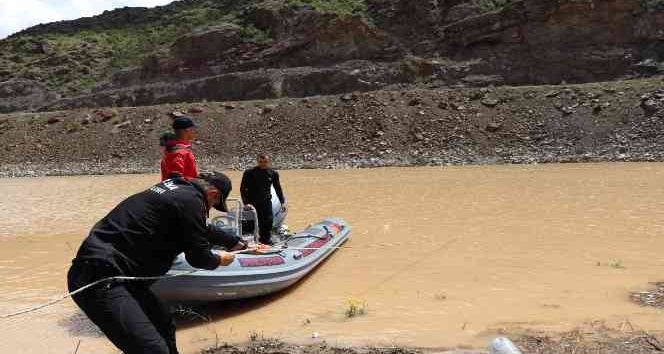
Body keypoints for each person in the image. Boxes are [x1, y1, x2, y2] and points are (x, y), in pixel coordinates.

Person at [67, 175, 236, 354]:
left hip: (123, 279)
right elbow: (200, 258)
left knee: (164, 324)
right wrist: (221, 259)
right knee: (153, 350)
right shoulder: (192, 200)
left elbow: (203, 228)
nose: (209, 210)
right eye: (212, 205)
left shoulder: (177, 189)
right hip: (100, 279)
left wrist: (237, 243)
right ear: (213, 194)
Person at [240, 154, 287, 245]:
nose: (263, 164)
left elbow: (278, 188)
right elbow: (243, 188)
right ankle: (249, 242)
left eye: (265, 162)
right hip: (251, 202)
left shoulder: (273, 173)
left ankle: (265, 241)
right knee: (249, 223)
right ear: (257, 162)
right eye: (260, 162)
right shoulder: (249, 172)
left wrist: (282, 202)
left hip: (266, 202)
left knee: (267, 222)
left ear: (268, 162)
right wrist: (245, 203)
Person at [161, 116, 198, 181]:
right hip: (185, 189)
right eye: (193, 129)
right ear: (187, 130)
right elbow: (175, 179)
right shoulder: (180, 152)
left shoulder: (173, 147)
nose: (195, 131)